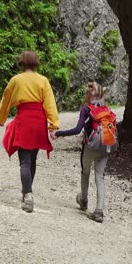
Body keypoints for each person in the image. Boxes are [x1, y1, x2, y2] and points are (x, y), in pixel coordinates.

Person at [0, 50, 60, 213]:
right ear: (36, 63)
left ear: (22, 63)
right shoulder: (43, 81)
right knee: (32, 159)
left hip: (24, 120)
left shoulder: (15, 80)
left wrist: (1, 119)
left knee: (24, 161)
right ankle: (27, 191)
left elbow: (6, 100)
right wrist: (53, 125)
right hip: (39, 121)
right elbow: (50, 104)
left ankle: (28, 194)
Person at [51, 82, 109, 223]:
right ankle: (99, 211)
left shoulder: (86, 109)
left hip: (90, 147)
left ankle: (83, 200)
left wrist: (58, 133)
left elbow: (77, 130)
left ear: (89, 95)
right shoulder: (106, 109)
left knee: (85, 172)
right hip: (106, 146)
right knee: (100, 177)